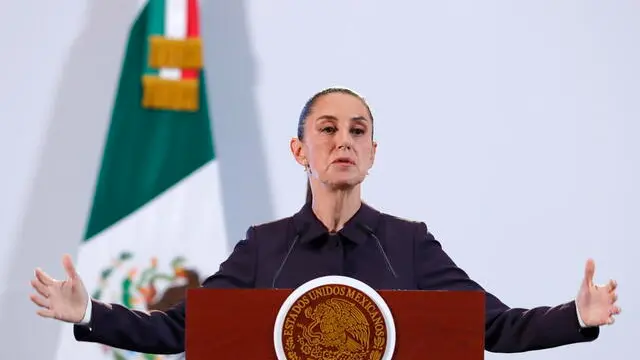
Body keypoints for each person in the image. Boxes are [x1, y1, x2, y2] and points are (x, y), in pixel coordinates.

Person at [30, 87, 621, 355]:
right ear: (300, 152)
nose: (344, 140)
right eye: (328, 129)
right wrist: (88, 313)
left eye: (358, 131)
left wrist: (577, 317)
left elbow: (492, 326)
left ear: (372, 152)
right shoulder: (264, 248)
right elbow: (184, 331)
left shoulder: (408, 245)